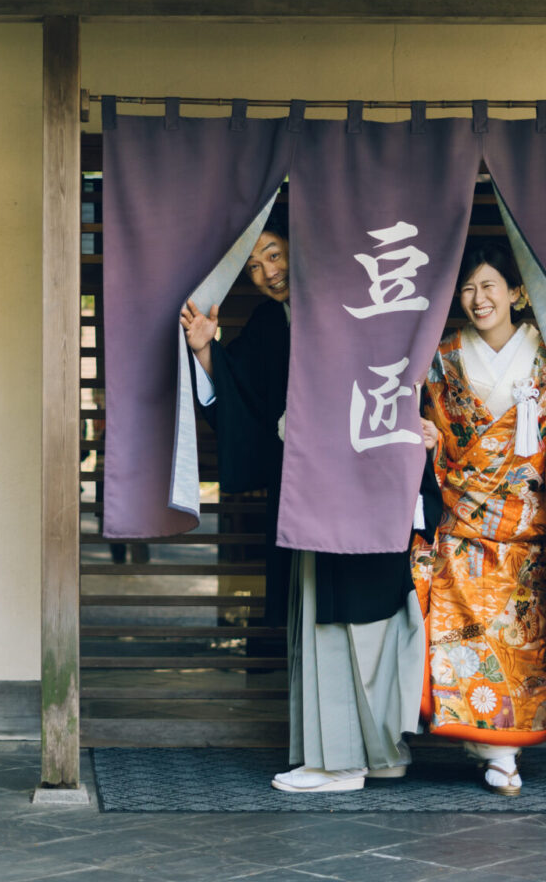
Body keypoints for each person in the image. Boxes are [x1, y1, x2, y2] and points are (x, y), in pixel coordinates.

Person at [181, 214, 434, 793]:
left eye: (273, 254)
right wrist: (207, 352)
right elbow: (244, 397)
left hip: (372, 482)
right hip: (314, 494)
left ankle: (353, 759)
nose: (268, 272)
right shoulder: (273, 322)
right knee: (327, 616)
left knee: (373, 621)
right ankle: (357, 756)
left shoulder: (363, 303)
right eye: (254, 266)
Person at [417, 239, 546, 797]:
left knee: (515, 646)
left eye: (489, 286)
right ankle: (482, 744)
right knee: (455, 639)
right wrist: (426, 443)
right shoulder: (442, 357)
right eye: (468, 289)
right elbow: (436, 435)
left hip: (522, 533)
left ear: (517, 293)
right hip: (461, 525)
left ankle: (502, 753)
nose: (478, 298)